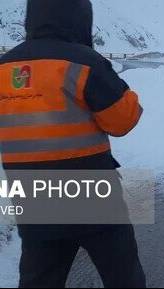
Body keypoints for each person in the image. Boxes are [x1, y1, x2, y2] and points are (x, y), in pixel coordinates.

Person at [0, 0, 145, 287]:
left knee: (39, 279)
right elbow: (123, 121)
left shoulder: (5, 67)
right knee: (123, 276)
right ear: (80, 17)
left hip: (32, 198)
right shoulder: (84, 62)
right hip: (93, 196)